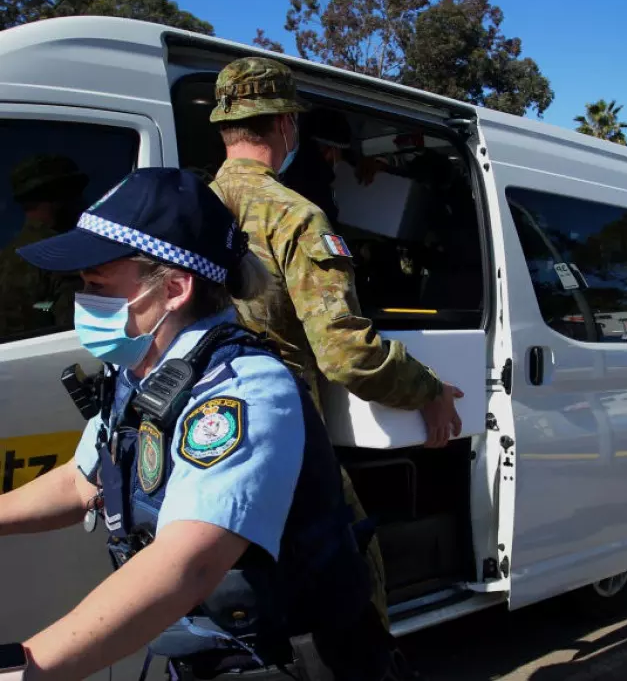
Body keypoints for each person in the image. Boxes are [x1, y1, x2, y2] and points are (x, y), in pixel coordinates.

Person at [1, 167, 408, 681]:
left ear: (173, 288)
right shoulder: (140, 373)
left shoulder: (242, 388)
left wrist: (29, 667)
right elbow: (82, 479)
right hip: (205, 660)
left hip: (286, 664)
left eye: (97, 283)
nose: (82, 301)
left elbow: (188, 563)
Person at [207, 57, 465, 628]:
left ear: (228, 126)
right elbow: (346, 352)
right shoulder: (294, 215)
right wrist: (428, 388)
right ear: (284, 127)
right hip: (283, 430)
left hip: (204, 429)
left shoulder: (191, 208)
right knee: (351, 573)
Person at [0, 155, 89, 337]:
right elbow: (76, 335)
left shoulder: (7, 257)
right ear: (57, 199)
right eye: (75, 194)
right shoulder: (62, 256)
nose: (83, 203)